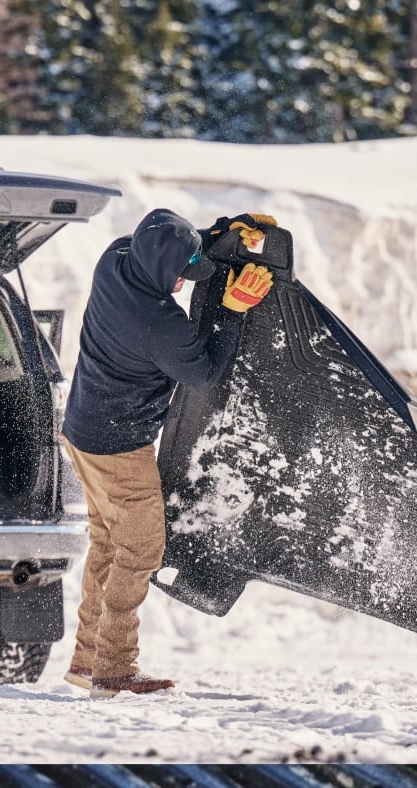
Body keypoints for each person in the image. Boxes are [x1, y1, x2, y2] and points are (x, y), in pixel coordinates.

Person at [58, 209, 274, 697]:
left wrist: (217, 234)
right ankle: (113, 671)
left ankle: (86, 661)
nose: (182, 283)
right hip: (119, 447)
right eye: (181, 273)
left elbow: (158, 245)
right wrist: (233, 312)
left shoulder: (113, 259)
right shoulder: (157, 324)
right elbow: (203, 373)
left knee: (109, 545)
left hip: (81, 431)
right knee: (140, 551)